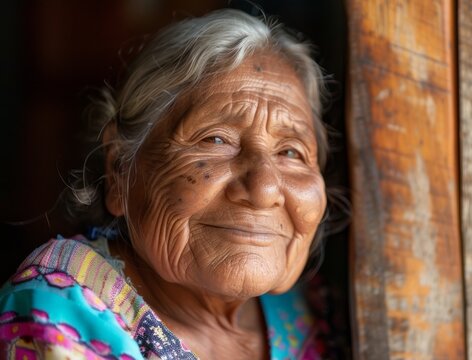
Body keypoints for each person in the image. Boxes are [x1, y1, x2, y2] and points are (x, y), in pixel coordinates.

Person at [0, 8, 339, 359]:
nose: (264, 189)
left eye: (290, 151)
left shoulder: (308, 307)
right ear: (120, 168)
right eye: (216, 140)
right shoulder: (57, 316)